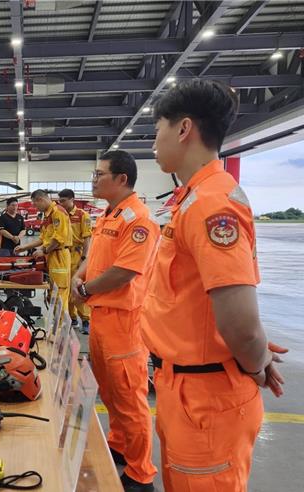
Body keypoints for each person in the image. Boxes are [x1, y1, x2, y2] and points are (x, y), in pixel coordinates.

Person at [142, 79, 287, 492]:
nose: (155, 142)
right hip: (184, 387)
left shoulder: (211, 205)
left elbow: (240, 323)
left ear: (184, 129)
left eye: (158, 130)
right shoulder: (191, 198)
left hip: (207, 397)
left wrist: (255, 360)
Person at [72, 151, 159, 492]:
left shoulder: (138, 218)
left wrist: (87, 289)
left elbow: (125, 271)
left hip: (124, 322)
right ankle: (120, 443)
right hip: (101, 318)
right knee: (108, 390)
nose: (94, 180)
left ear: (121, 179)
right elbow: (92, 256)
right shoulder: (107, 215)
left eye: (99, 174)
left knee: (130, 396)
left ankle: (141, 473)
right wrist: (81, 276)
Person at [14, 189, 71, 308]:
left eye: (35, 204)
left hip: (59, 257)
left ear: (41, 199)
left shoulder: (57, 212)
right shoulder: (47, 215)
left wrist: (43, 250)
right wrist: (24, 247)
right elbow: (42, 239)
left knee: (59, 292)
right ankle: (55, 323)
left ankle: (60, 325)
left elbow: (58, 238)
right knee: (52, 292)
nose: (35, 207)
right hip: (51, 256)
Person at [57, 188, 92, 333]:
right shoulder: (60, 215)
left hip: (77, 255)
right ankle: (72, 318)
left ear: (72, 199)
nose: (61, 204)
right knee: (66, 288)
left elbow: (87, 237)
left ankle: (85, 319)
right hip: (64, 255)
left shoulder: (82, 215)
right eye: (60, 201)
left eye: (63, 201)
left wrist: (84, 257)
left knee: (78, 288)